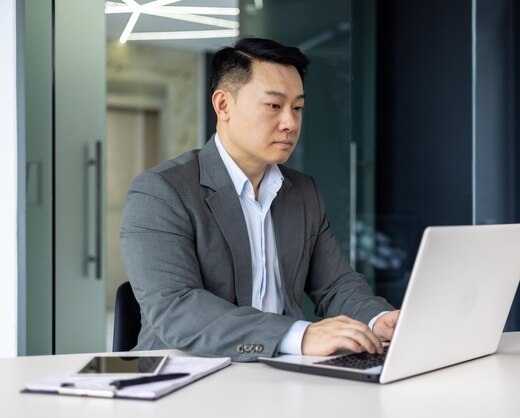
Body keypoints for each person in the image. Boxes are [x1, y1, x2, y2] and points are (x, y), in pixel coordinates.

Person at [120, 37, 399, 362]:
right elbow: (177, 308)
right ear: (223, 105)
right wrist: (300, 335)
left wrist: (379, 320)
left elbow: (335, 284)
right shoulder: (161, 191)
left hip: (278, 373)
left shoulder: (303, 192)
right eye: (274, 106)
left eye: (297, 108)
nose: (290, 123)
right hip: (184, 377)